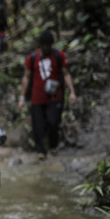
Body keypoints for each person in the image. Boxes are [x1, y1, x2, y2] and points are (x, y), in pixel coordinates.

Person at [17, 30, 77, 159]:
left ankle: (53, 146)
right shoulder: (32, 58)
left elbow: (66, 74)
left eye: (49, 45)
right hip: (37, 98)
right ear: (40, 45)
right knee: (38, 125)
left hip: (55, 97)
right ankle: (41, 151)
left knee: (53, 122)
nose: (47, 48)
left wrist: (72, 92)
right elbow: (26, 78)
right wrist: (22, 97)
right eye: (45, 45)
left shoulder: (58, 55)